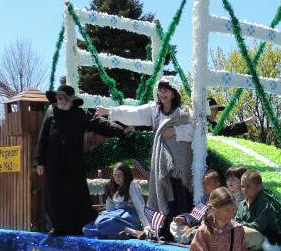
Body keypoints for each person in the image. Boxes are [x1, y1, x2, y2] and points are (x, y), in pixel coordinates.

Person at [35, 84, 132, 236]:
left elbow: (101, 124)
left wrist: (121, 130)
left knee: (76, 193)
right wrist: (39, 161)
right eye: (57, 98)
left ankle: (79, 226)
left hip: (74, 161)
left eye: (62, 98)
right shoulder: (51, 112)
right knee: (53, 194)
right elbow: (43, 138)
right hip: (53, 161)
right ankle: (58, 227)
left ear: (70, 100)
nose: (59, 101)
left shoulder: (80, 114)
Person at [97, 76, 194, 220]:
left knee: (180, 193)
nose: (162, 93)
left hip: (180, 165)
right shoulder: (154, 110)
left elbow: (195, 130)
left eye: (166, 90)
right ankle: (165, 228)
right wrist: (110, 112)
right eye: (160, 90)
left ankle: (183, 228)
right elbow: (134, 113)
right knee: (163, 193)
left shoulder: (184, 111)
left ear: (174, 92)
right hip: (161, 163)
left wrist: (175, 131)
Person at [83, 163, 148, 239]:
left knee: (105, 223)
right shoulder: (112, 187)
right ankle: (126, 233)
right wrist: (106, 216)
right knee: (86, 229)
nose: (117, 178)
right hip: (116, 216)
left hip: (129, 216)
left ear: (126, 175)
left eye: (120, 175)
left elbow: (139, 206)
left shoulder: (132, 185)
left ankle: (134, 232)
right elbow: (110, 208)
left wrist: (146, 226)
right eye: (115, 175)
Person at [236, 170, 281, 251]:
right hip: (252, 238)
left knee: (240, 232)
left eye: (248, 186)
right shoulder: (241, 204)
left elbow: (258, 226)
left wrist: (239, 225)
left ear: (259, 187)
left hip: (270, 242)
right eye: (242, 186)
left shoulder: (265, 203)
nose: (244, 189)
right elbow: (236, 222)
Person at [170, 170, 222, 244]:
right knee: (174, 224)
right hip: (198, 229)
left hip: (211, 230)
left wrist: (197, 228)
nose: (204, 186)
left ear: (217, 184)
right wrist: (183, 219)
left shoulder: (222, 198)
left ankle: (191, 237)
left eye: (208, 183)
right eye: (203, 183)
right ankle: (191, 237)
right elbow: (194, 216)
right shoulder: (205, 198)